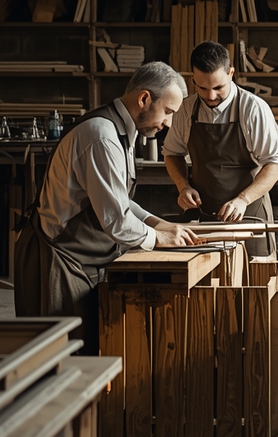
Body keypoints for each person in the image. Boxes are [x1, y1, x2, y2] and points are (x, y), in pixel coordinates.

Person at [15, 62, 198, 354]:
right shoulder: (101, 136)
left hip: (79, 258)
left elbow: (118, 200)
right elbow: (116, 220)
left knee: (83, 354)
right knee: (57, 361)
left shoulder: (122, 131)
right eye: (168, 112)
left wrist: (157, 223)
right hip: (58, 261)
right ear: (144, 99)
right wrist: (158, 239)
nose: (168, 124)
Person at [163, 40, 278, 258]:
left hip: (249, 214)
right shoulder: (185, 110)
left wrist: (243, 199)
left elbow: (275, 164)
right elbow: (172, 153)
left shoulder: (253, 109)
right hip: (202, 216)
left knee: (254, 283)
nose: (210, 96)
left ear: (231, 73)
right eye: (202, 88)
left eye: (218, 87)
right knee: (204, 282)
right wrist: (183, 186)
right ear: (193, 79)